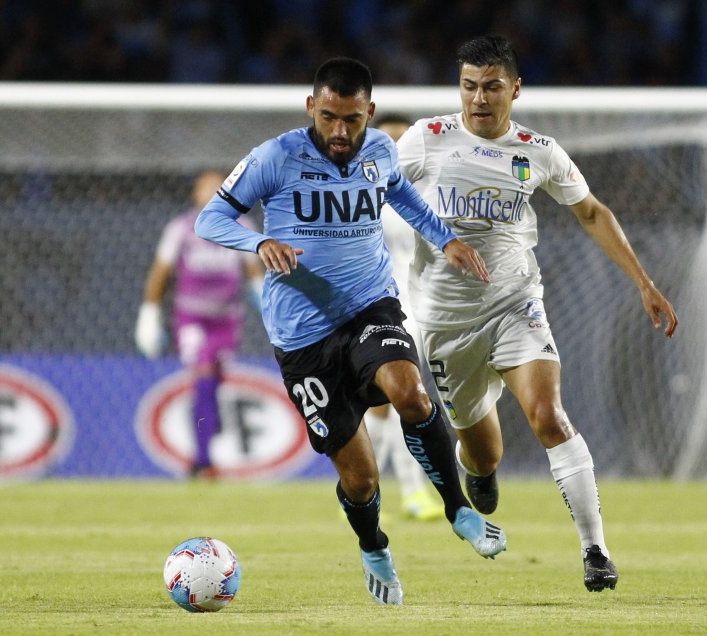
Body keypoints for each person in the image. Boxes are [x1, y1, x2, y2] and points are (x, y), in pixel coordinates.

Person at [194, 57, 507, 606]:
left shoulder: (381, 151)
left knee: (407, 389)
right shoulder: (275, 156)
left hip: (369, 307)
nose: (341, 132)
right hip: (301, 336)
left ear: (371, 112)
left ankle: (458, 509)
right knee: (361, 479)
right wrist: (258, 242)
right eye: (331, 117)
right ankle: (374, 546)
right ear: (311, 106)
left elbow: (402, 196)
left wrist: (446, 237)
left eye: (353, 120)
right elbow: (210, 219)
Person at [395, 35, 679, 592]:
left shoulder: (539, 150)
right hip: (444, 323)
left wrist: (644, 283)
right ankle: (480, 474)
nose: (479, 98)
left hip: (515, 303)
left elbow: (592, 212)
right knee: (481, 452)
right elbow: (371, 189)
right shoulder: (424, 140)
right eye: (469, 86)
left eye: (491, 86)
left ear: (515, 89)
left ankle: (595, 549)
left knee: (548, 415)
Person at [135, 170, 265, 478]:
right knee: (203, 377)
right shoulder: (180, 229)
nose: (210, 193)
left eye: (216, 188)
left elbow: (254, 274)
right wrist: (149, 312)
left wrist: (267, 304)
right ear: (195, 194)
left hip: (227, 320)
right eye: (204, 188)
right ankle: (203, 462)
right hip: (192, 318)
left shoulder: (242, 227)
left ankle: (207, 423)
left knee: (213, 384)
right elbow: (161, 271)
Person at [361, 113, 442, 522]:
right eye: (387, 139)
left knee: (386, 405)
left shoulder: (431, 193)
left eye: (402, 139)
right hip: (383, 306)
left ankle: (356, 487)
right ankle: (412, 492)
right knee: (402, 398)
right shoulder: (365, 195)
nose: (395, 147)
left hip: (427, 307)